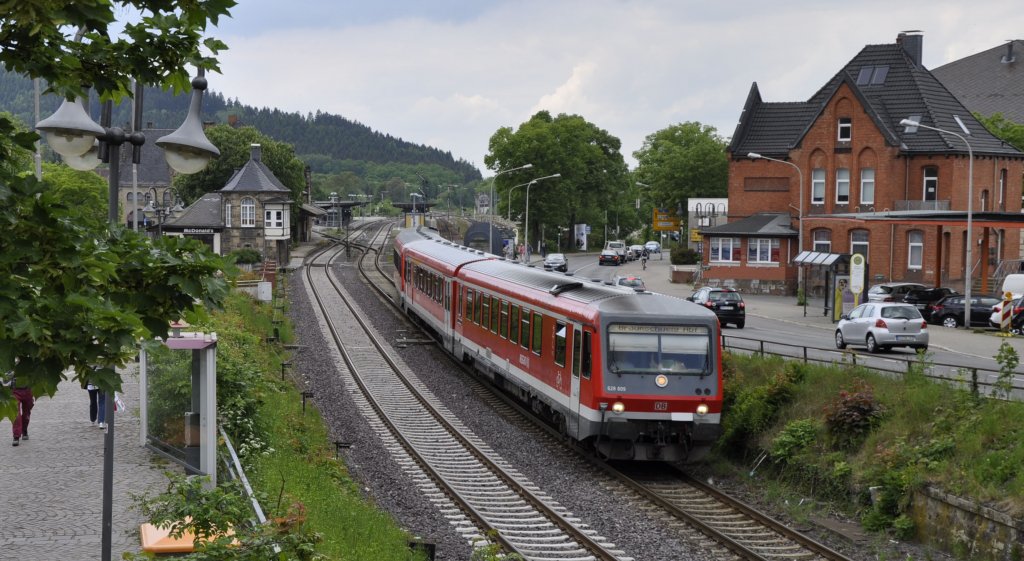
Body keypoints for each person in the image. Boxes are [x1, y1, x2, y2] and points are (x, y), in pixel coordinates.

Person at [6, 370, 33, 446]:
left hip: (28, 390)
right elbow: (6, 374)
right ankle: (16, 436)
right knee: (16, 414)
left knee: (26, 414)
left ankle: (24, 430)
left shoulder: (29, 360)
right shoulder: (12, 360)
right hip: (15, 391)